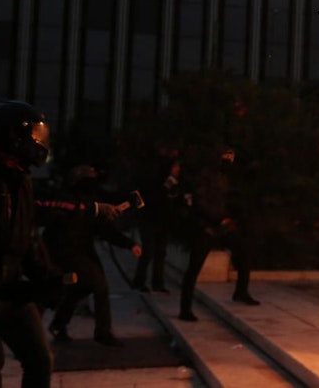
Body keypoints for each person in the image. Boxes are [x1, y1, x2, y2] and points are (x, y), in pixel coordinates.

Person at [0, 101, 120, 387]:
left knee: (40, 360)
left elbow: (28, 234)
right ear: (13, 137)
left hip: (10, 289)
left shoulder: (21, 180)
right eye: (36, 136)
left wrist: (47, 275)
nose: (41, 144)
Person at [43, 165, 142, 347]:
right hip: (66, 251)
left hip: (83, 250)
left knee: (80, 289)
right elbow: (63, 222)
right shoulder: (67, 200)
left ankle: (59, 324)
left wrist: (129, 244)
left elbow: (103, 229)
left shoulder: (91, 201)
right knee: (99, 286)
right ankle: (102, 332)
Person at [178, 147, 259, 322]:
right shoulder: (205, 176)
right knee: (194, 268)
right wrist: (217, 220)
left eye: (231, 157)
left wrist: (231, 218)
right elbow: (201, 202)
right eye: (227, 157)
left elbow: (228, 199)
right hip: (205, 227)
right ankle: (185, 309)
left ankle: (241, 292)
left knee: (244, 252)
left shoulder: (225, 176)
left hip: (222, 225)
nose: (230, 161)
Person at [132, 159, 181, 293]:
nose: (178, 170)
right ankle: (139, 281)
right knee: (148, 250)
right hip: (149, 219)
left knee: (160, 252)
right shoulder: (158, 181)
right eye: (175, 167)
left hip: (162, 221)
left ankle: (157, 283)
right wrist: (166, 186)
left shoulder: (175, 182)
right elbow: (154, 198)